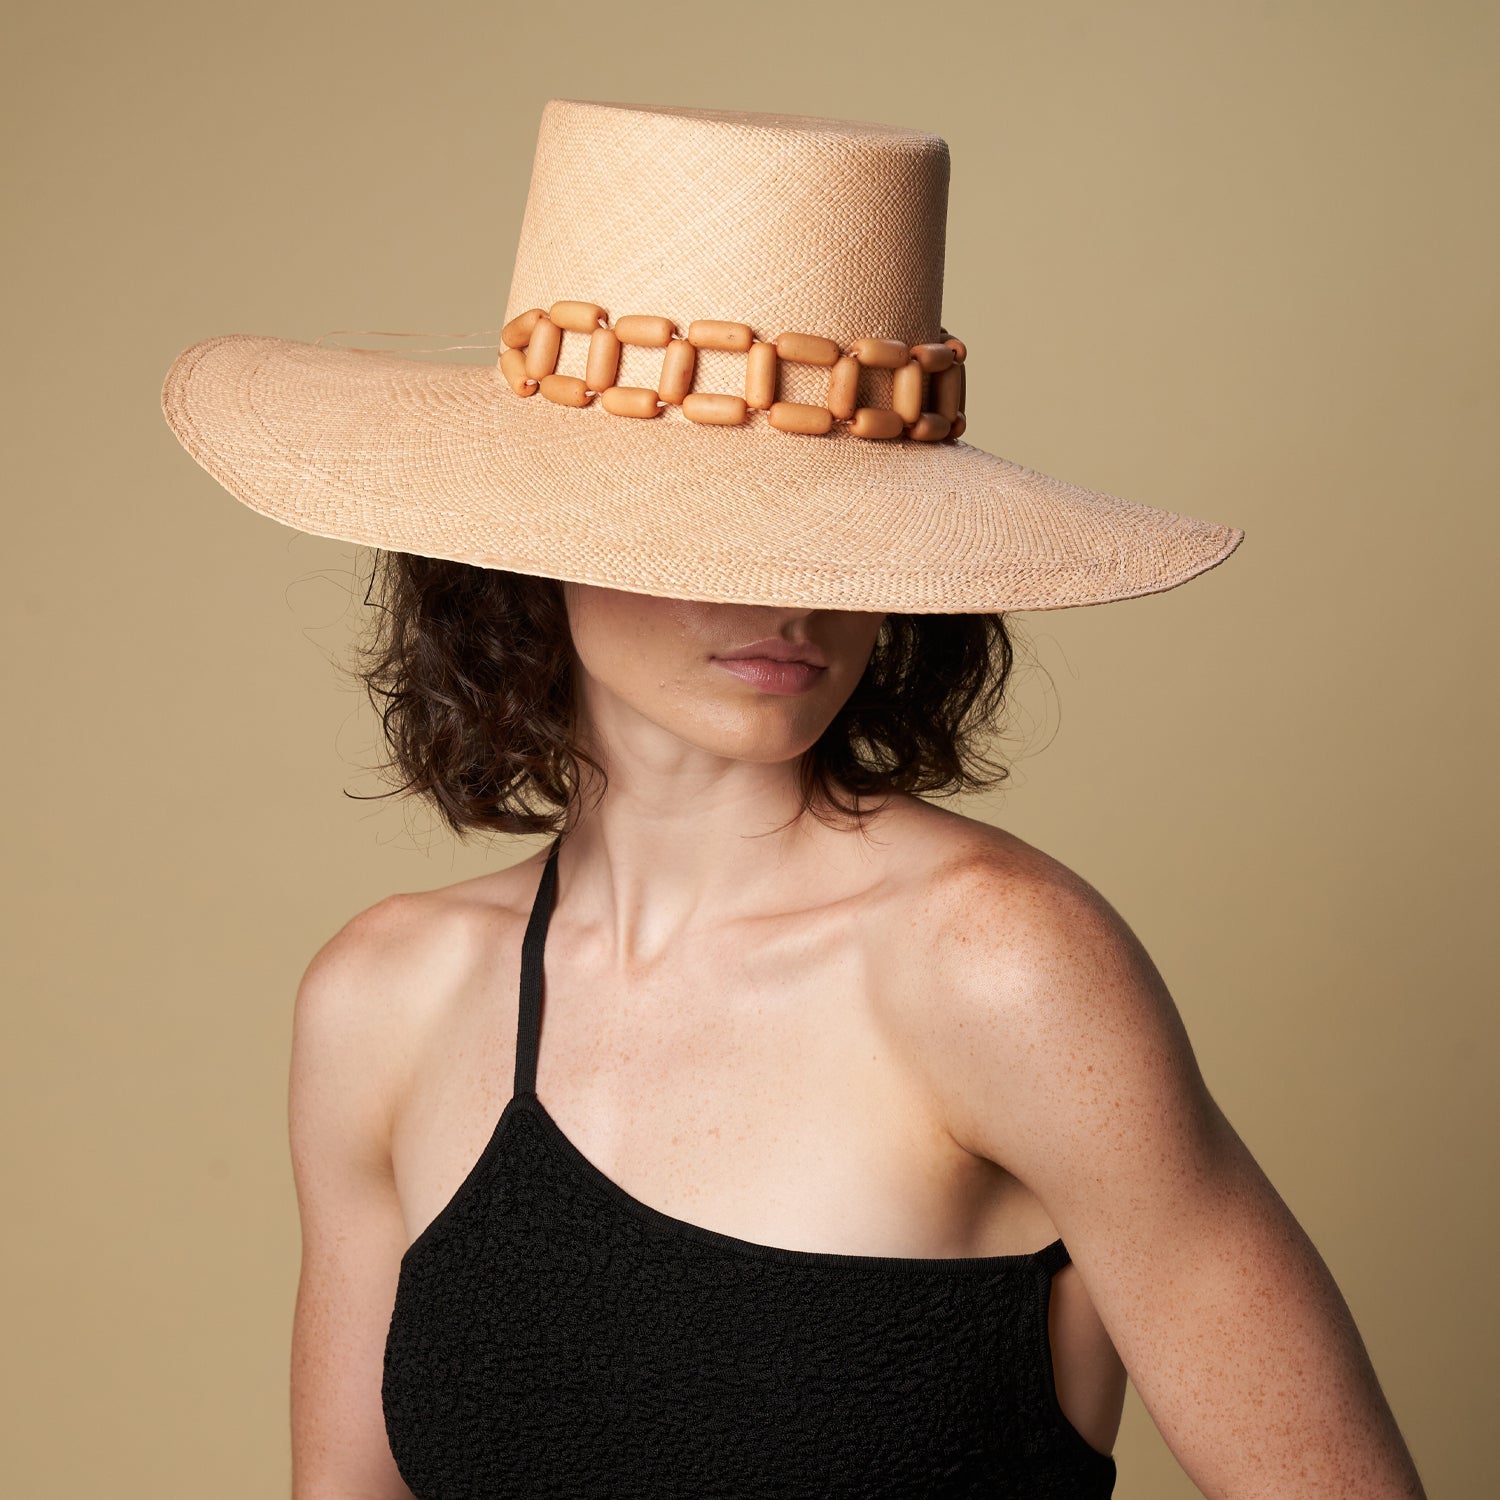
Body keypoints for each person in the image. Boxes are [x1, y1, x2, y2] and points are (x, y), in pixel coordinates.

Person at [161, 99, 1427, 1498]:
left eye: (845, 528)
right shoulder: (384, 1002)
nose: (797, 598)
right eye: (717, 521)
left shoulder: (999, 964)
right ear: (528, 548)